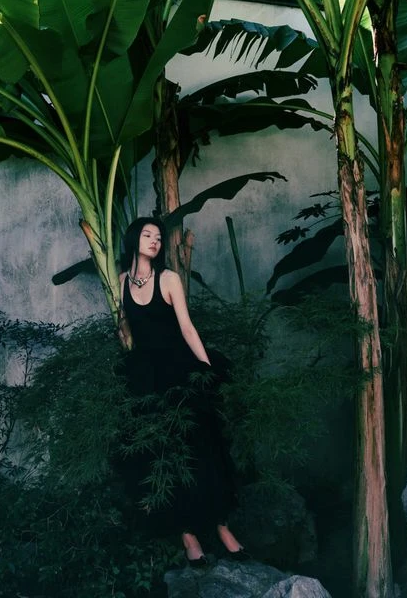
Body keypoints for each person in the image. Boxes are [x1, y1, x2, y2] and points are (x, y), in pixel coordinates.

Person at [117, 216, 247, 567]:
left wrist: (206, 370)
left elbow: (187, 328)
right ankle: (187, 534)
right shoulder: (119, 282)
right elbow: (126, 332)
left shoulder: (169, 278)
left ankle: (221, 526)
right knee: (161, 451)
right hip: (145, 378)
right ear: (133, 240)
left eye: (158, 237)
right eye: (147, 235)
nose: (155, 241)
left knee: (201, 446)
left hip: (178, 371)